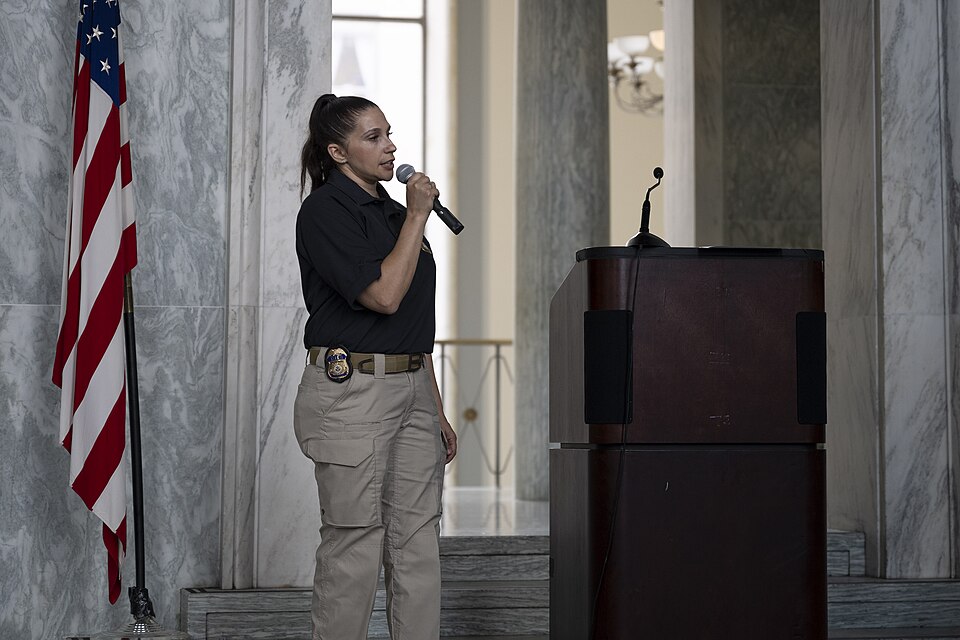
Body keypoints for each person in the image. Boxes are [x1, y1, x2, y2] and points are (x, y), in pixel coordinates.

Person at [293, 94, 458, 640]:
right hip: (351, 394)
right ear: (337, 152)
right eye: (373, 137)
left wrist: (434, 408)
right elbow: (384, 297)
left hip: (412, 389)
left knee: (417, 541)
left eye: (389, 134)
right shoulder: (324, 213)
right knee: (355, 540)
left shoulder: (393, 212)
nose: (391, 147)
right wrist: (416, 215)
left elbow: (412, 323)